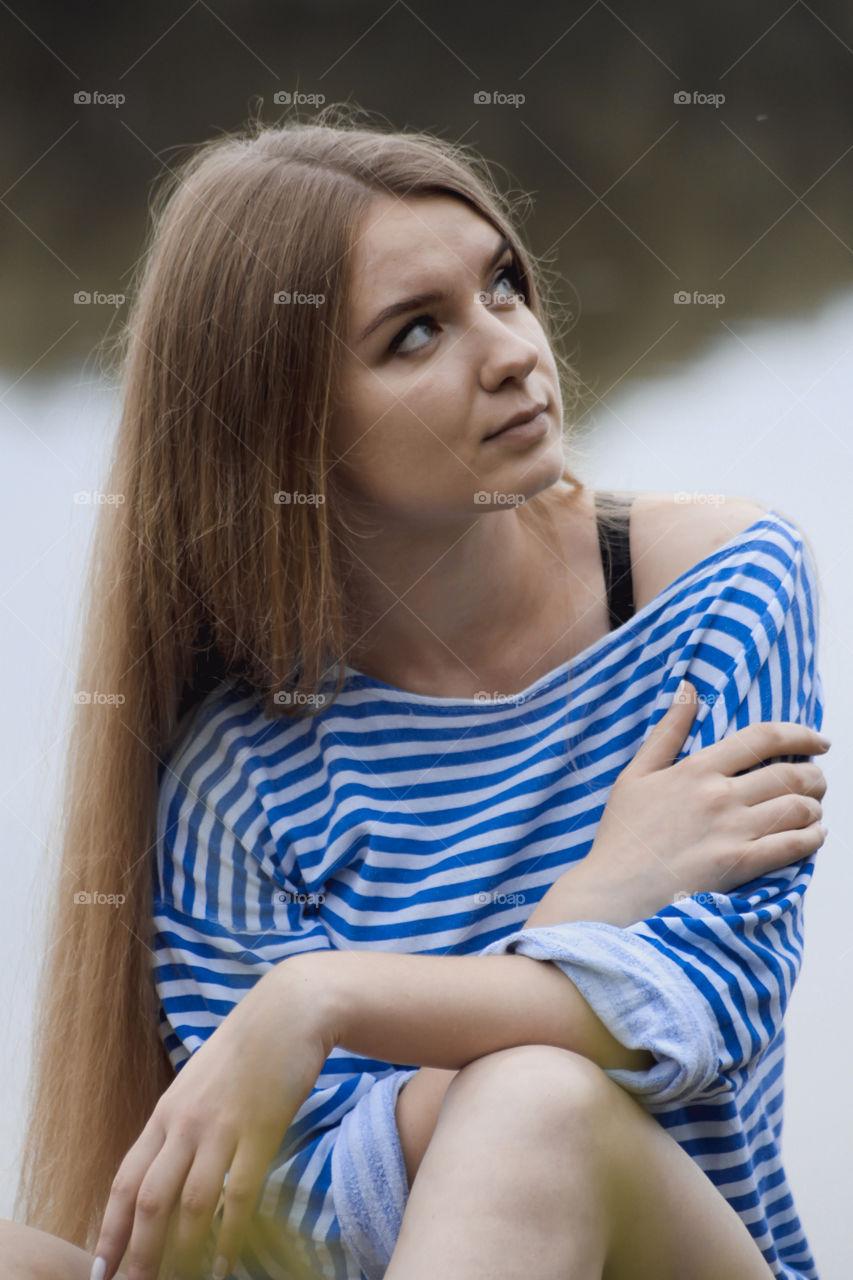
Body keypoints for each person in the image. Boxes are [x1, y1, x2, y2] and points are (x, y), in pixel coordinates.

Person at [6, 105, 829, 1280]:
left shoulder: (711, 594)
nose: (509, 350)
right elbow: (284, 1223)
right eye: (414, 335)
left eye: (501, 284)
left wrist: (323, 998)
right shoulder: (241, 773)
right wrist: (588, 901)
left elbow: (702, 1010)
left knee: (535, 1105)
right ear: (287, 433)